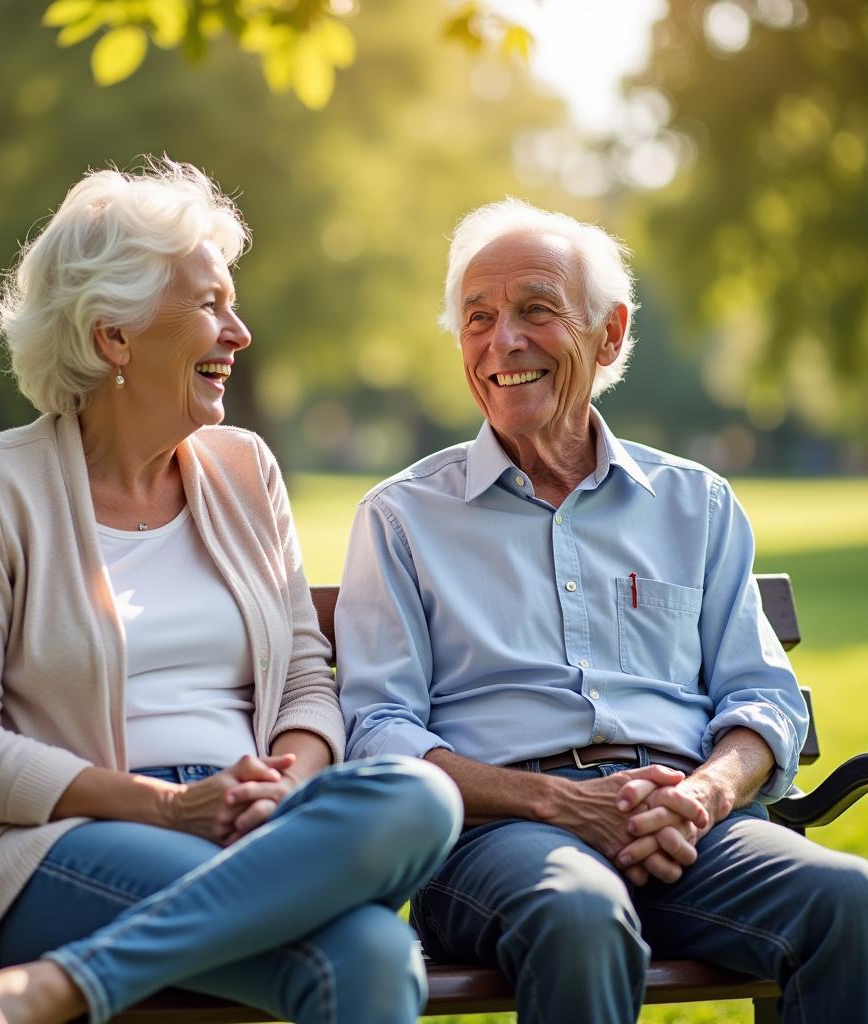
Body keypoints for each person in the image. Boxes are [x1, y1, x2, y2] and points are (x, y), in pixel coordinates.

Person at [0, 159, 462, 1024]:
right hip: (70, 842)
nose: (239, 332)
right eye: (209, 305)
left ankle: (61, 988)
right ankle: (50, 972)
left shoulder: (246, 467)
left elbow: (309, 681)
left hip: (264, 821)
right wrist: (166, 808)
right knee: (375, 949)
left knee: (422, 797)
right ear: (113, 337)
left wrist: (284, 784)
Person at [336, 198, 868, 1023]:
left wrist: (703, 795)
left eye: (536, 311)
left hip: (684, 824)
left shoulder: (697, 503)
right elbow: (380, 733)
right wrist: (557, 803)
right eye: (478, 319)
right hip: (492, 840)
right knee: (581, 911)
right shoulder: (403, 517)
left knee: (850, 898)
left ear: (610, 334)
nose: (502, 341)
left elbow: (759, 696)